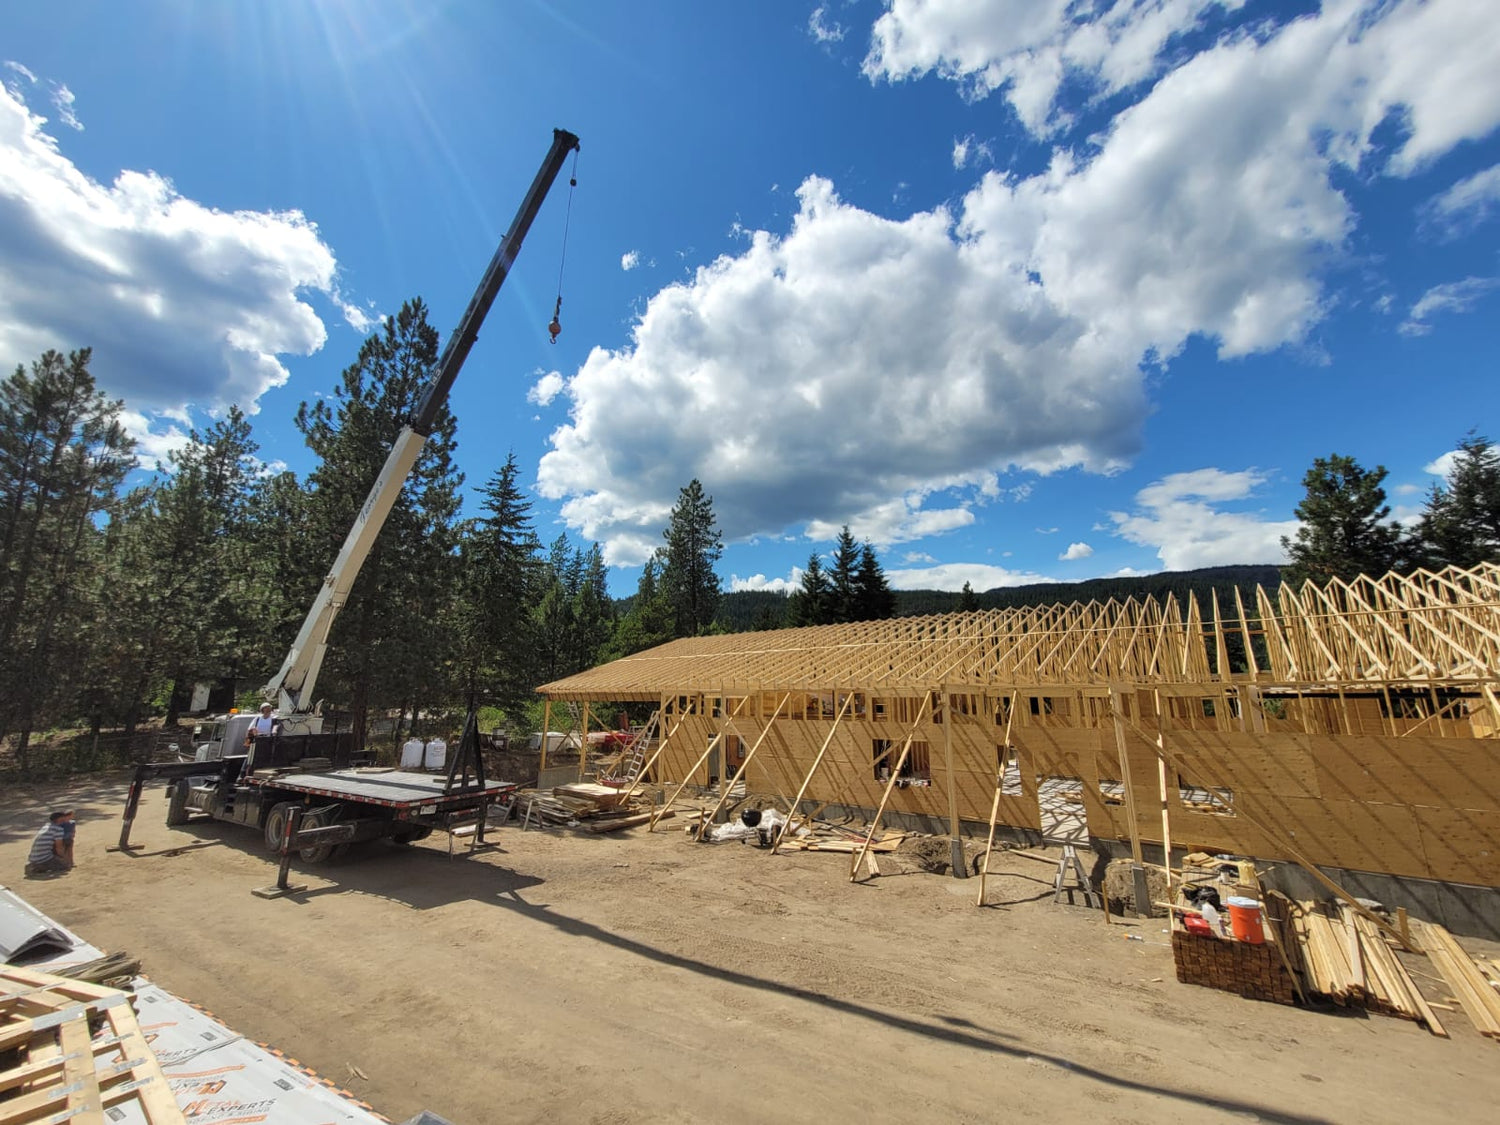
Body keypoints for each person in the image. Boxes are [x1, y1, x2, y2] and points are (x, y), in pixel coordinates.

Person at [25, 810, 75, 877]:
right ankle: (39, 867)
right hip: (44, 857)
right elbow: (59, 847)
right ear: (60, 819)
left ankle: (35, 865)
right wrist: (64, 859)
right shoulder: (58, 829)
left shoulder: (46, 826)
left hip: (33, 857)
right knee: (65, 867)